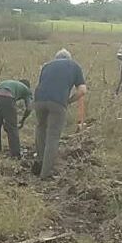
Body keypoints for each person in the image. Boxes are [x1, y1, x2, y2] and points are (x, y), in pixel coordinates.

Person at [32, 49, 88, 179]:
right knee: (53, 135)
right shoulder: (74, 65)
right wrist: (68, 101)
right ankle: (45, 174)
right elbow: (82, 90)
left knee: (40, 129)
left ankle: (39, 162)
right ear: (69, 58)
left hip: (39, 100)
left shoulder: (46, 65)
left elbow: (42, 84)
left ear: (56, 58)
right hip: (57, 102)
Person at [0, 79, 33, 158]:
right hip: (7, 97)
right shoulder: (27, 90)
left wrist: (5, 122)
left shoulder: (11, 83)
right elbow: (29, 108)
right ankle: (15, 155)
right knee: (12, 128)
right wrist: (22, 121)